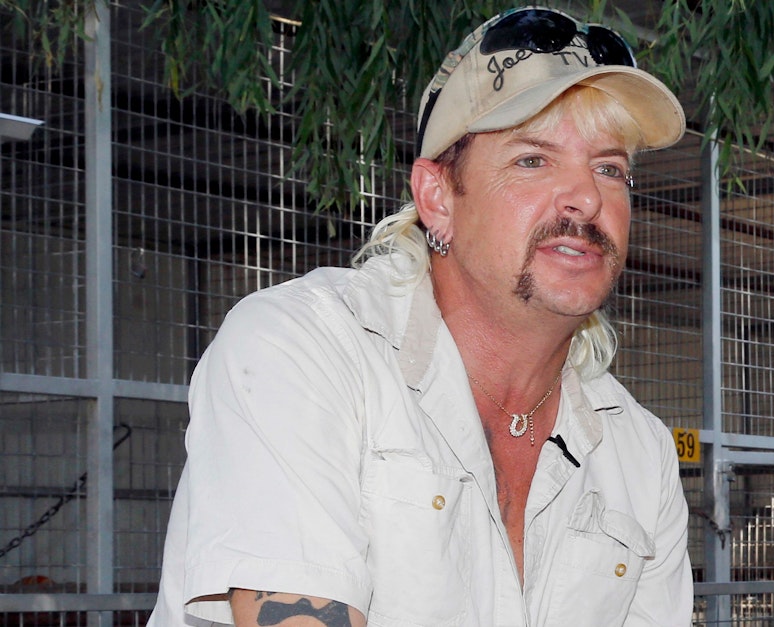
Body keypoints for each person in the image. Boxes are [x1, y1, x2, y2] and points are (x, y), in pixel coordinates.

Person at [148, 7, 691, 626]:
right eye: (533, 160)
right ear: (437, 197)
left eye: (609, 168)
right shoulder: (302, 348)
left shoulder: (639, 452)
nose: (587, 197)